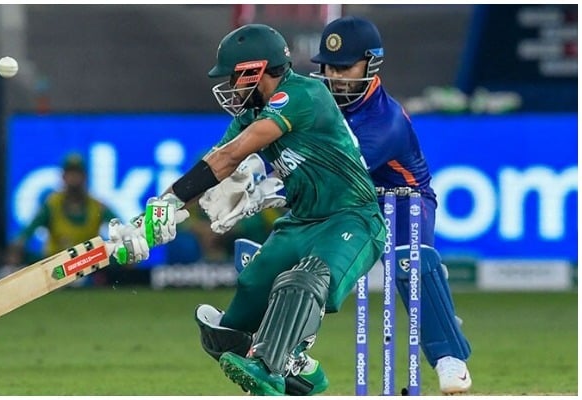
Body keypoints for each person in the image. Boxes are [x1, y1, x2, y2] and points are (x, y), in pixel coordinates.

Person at [106, 23, 386, 396]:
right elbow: (214, 163)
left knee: (303, 281)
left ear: (255, 70)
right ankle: (303, 371)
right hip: (300, 222)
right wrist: (149, 220)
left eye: (235, 77)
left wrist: (171, 202)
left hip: (351, 219)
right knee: (228, 335)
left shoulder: (304, 94)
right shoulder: (252, 113)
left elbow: (232, 155)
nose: (230, 87)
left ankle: (274, 367)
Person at [309, 16, 472, 394]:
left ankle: (450, 359)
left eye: (345, 67)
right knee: (307, 259)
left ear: (371, 63)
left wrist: (281, 187)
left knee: (407, 260)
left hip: (404, 199)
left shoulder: (385, 119)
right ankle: (259, 333)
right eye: (329, 67)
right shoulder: (319, 102)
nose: (335, 77)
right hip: (353, 199)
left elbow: (338, 173)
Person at [5, 153, 118, 281]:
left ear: (85, 177)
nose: (74, 178)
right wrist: (17, 246)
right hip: (56, 263)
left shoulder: (97, 206)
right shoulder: (53, 204)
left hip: (88, 263)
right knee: (25, 255)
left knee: (120, 253)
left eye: (77, 174)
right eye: (70, 174)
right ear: (63, 177)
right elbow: (28, 231)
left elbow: (120, 228)